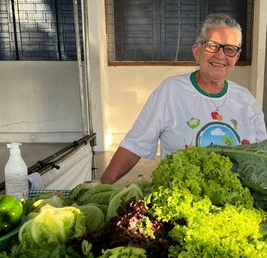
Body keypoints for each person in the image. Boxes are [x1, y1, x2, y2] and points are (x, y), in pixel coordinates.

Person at [100, 13, 267, 185]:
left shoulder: (246, 100)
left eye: (230, 49)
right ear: (196, 51)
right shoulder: (171, 92)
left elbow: (262, 156)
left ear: (236, 58)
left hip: (236, 206)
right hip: (181, 199)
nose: (221, 55)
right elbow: (134, 144)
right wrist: (102, 186)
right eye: (212, 46)